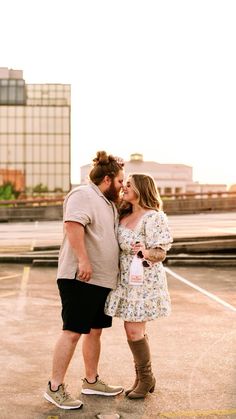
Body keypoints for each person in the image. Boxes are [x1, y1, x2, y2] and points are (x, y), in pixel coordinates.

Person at [44, 151, 125, 410]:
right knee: (72, 332)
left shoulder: (107, 201)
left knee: (94, 331)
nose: (123, 185)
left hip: (100, 280)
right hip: (80, 277)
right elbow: (73, 226)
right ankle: (54, 387)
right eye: (121, 181)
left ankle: (91, 381)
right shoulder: (83, 195)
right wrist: (83, 260)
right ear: (108, 179)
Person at [105, 173, 173, 399]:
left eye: (129, 185)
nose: (124, 188)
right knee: (133, 329)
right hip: (125, 279)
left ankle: (146, 378)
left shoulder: (154, 217)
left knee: (133, 330)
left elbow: (161, 252)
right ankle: (141, 377)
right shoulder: (122, 213)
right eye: (124, 184)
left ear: (142, 189)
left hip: (144, 281)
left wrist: (146, 251)